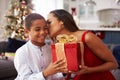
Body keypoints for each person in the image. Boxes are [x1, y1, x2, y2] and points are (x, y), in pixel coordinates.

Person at [46, 9, 118, 80]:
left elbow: (113, 64)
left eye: (49, 22)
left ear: (62, 22)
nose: (46, 26)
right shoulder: (59, 43)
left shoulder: (87, 37)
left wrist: (89, 70)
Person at [14, 13, 67, 80]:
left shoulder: (51, 49)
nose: (43, 32)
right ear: (27, 32)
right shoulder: (21, 52)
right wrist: (46, 73)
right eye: (37, 29)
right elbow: (25, 78)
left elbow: (53, 76)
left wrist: (63, 73)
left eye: (45, 28)